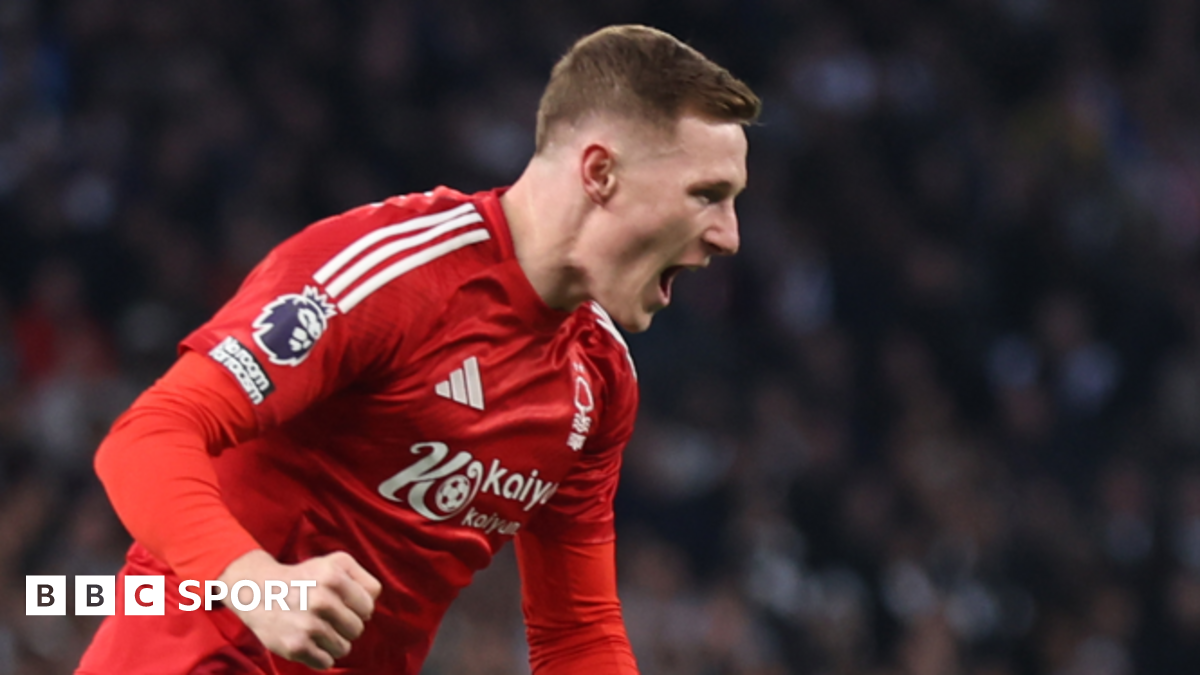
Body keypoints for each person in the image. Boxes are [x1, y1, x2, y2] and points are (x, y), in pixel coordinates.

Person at [77, 24, 760, 675]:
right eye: (707, 195)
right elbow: (146, 436)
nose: (728, 235)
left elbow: (577, 631)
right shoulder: (391, 275)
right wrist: (256, 584)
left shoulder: (599, 378)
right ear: (601, 173)